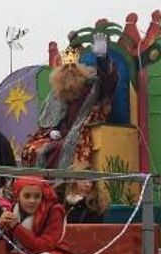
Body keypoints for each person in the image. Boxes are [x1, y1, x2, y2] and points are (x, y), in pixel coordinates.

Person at [21, 33, 118, 169]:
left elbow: (108, 79)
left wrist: (102, 58)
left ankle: (58, 182)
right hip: (58, 135)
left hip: (80, 133)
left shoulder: (91, 86)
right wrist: (52, 131)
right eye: (66, 69)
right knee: (31, 148)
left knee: (60, 149)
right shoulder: (57, 93)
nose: (69, 72)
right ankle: (37, 182)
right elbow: (49, 120)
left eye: (73, 68)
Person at [0, 176, 89, 254]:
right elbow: (4, 246)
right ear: (18, 196)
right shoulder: (12, 209)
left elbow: (44, 246)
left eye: (37, 196)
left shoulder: (54, 211)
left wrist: (16, 227)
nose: (32, 201)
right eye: (27, 196)